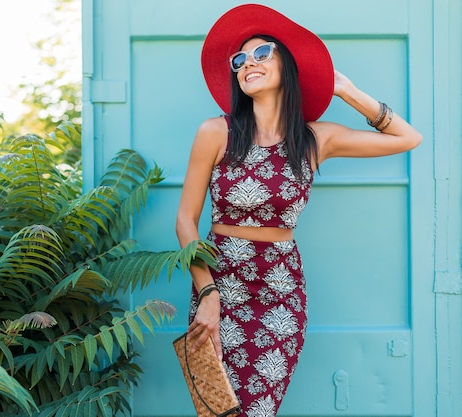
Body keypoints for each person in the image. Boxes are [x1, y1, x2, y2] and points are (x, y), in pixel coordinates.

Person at [175, 4, 422, 416]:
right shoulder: (215, 132)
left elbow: (407, 138)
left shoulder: (314, 140)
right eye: (240, 60)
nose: (248, 64)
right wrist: (207, 293)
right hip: (220, 285)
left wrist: (346, 90)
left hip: (280, 292)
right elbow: (186, 221)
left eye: (261, 54)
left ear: (286, 66)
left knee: (259, 409)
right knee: (219, 407)